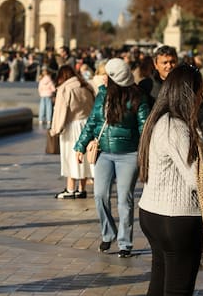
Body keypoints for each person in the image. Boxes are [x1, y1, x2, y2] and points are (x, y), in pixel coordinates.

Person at [138, 64, 203, 295]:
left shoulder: (158, 121)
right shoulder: (176, 127)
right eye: (200, 92)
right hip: (175, 218)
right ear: (190, 93)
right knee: (178, 288)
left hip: (153, 212)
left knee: (159, 282)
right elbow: (197, 178)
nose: (201, 99)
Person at [74, 58, 150, 258]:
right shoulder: (102, 95)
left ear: (116, 78)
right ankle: (108, 233)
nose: (103, 78)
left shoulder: (138, 97)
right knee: (99, 195)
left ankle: (125, 243)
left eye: (107, 75)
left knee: (124, 200)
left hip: (129, 154)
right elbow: (92, 122)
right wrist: (80, 146)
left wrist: (145, 152)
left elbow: (144, 127)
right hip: (104, 153)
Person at [148, 45, 203, 160]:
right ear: (156, 64)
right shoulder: (147, 86)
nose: (169, 66)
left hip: (183, 143)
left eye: (172, 62)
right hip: (156, 145)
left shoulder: (188, 85)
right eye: (165, 62)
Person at [50, 65, 95, 199]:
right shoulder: (86, 86)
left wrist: (55, 129)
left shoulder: (65, 89)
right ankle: (82, 189)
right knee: (83, 159)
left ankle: (70, 189)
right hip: (86, 125)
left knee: (71, 158)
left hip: (71, 126)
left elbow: (60, 111)